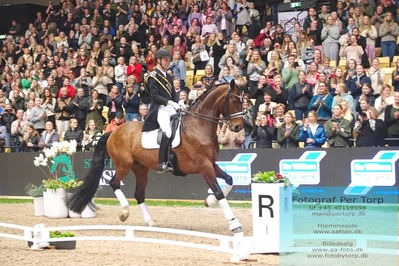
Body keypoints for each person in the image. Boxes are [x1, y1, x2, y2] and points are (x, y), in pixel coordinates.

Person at [142, 49, 180, 172]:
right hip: (160, 109)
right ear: (158, 60)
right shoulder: (153, 76)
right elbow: (154, 96)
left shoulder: (169, 76)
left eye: (168, 60)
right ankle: (161, 162)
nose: (167, 62)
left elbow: (173, 93)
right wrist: (169, 102)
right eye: (165, 60)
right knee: (167, 132)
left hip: (170, 107)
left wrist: (178, 103)